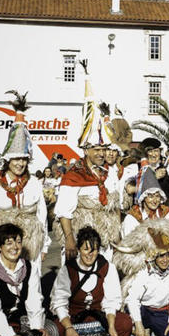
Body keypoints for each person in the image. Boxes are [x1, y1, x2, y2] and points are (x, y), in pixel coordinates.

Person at [55, 69, 121, 260]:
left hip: (106, 239)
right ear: (86, 151)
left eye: (103, 149)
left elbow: (114, 206)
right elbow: (64, 211)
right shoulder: (73, 176)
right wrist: (69, 240)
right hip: (81, 239)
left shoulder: (110, 173)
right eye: (96, 150)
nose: (101, 153)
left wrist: (116, 233)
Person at [50, 226, 135, 336]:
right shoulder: (68, 270)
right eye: (85, 249)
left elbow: (112, 300)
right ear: (78, 250)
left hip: (98, 316)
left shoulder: (107, 267)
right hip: (74, 317)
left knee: (125, 322)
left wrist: (111, 326)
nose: (90, 255)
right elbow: (59, 302)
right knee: (58, 329)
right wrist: (69, 328)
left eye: (94, 250)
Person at [0, 91, 49, 269]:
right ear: (8, 160)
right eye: (16, 159)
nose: (20, 164)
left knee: (32, 288)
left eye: (24, 159)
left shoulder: (33, 183)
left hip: (30, 244)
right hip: (3, 244)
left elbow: (42, 216)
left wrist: (44, 245)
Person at [125, 226, 169, 336]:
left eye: (168, 255)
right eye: (161, 256)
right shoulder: (144, 272)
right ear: (154, 256)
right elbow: (133, 299)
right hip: (144, 311)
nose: (165, 260)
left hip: (161, 313)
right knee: (128, 321)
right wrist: (138, 324)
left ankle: (155, 331)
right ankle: (137, 334)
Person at [121, 168, 169, 237]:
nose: (155, 201)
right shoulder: (132, 218)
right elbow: (129, 243)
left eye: (157, 196)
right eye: (151, 196)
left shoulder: (166, 213)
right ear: (143, 198)